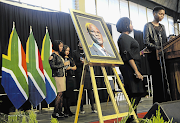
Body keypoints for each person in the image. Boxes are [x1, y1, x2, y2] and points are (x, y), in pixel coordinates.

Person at [116, 17, 149, 122]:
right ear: (126, 25)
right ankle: (131, 117)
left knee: (137, 92)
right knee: (134, 92)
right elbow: (128, 55)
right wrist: (136, 70)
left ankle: (132, 117)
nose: (132, 26)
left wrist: (142, 52)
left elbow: (133, 54)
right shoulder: (123, 37)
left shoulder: (127, 37)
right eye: (131, 24)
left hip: (133, 65)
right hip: (130, 67)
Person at [143, 6, 169, 104]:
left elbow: (165, 41)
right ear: (154, 13)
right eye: (160, 14)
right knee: (157, 80)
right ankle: (158, 102)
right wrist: (158, 48)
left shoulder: (163, 27)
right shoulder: (148, 25)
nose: (162, 16)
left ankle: (166, 100)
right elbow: (146, 41)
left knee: (165, 79)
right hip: (154, 56)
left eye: (163, 14)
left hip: (163, 55)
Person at [72, 40, 97, 114]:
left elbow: (92, 61)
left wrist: (87, 62)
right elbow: (74, 63)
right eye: (80, 42)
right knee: (81, 91)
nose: (81, 44)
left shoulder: (87, 52)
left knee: (90, 90)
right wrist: (81, 63)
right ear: (78, 44)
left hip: (87, 73)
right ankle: (81, 108)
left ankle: (93, 107)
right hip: (79, 73)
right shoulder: (75, 53)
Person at [49, 40, 70, 118]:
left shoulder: (59, 55)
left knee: (61, 94)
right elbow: (52, 66)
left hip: (62, 75)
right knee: (59, 94)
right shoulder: (53, 55)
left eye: (62, 46)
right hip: (58, 76)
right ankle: (55, 112)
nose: (62, 48)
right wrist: (63, 64)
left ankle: (60, 111)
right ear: (56, 46)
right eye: (60, 46)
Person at [61, 45, 77, 117]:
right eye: (66, 50)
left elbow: (75, 67)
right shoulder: (61, 58)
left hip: (70, 77)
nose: (67, 52)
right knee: (65, 95)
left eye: (68, 50)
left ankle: (69, 109)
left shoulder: (70, 58)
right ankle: (65, 110)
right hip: (63, 77)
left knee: (70, 94)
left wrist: (70, 67)